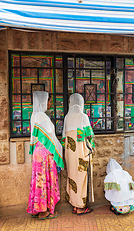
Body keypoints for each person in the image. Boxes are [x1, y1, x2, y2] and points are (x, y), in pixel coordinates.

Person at [27, 91, 64, 220]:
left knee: (38, 179)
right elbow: (51, 138)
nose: (50, 103)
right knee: (45, 179)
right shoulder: (43, 117)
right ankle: (43, 211)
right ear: (43, 102)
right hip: (45, 153)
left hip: (37, 152)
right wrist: (60, 149)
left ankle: (36, 208)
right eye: (49, 101)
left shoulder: (34, 115)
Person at [61, 93, 95, 215]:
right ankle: (80, 207)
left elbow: (64, 137)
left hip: (70, 153)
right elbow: (89, 135)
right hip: (81, 152)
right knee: (82, 178)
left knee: (72, 177)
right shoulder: (83, 116)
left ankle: (74, 205)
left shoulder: (66, 117)